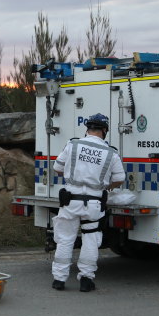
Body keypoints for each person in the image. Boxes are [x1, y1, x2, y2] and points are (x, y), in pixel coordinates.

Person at [51, 113, 125, 292]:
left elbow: (57, 168)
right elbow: (120, 178)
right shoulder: (111, 152)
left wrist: (72, 177)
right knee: (91, 240)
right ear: (104, 130)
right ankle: (86, 279)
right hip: (94, 203)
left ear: (88, 128)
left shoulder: (73, 144)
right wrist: (106, 186)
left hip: (70, 200)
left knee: (65, 239)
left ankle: (59, 280)